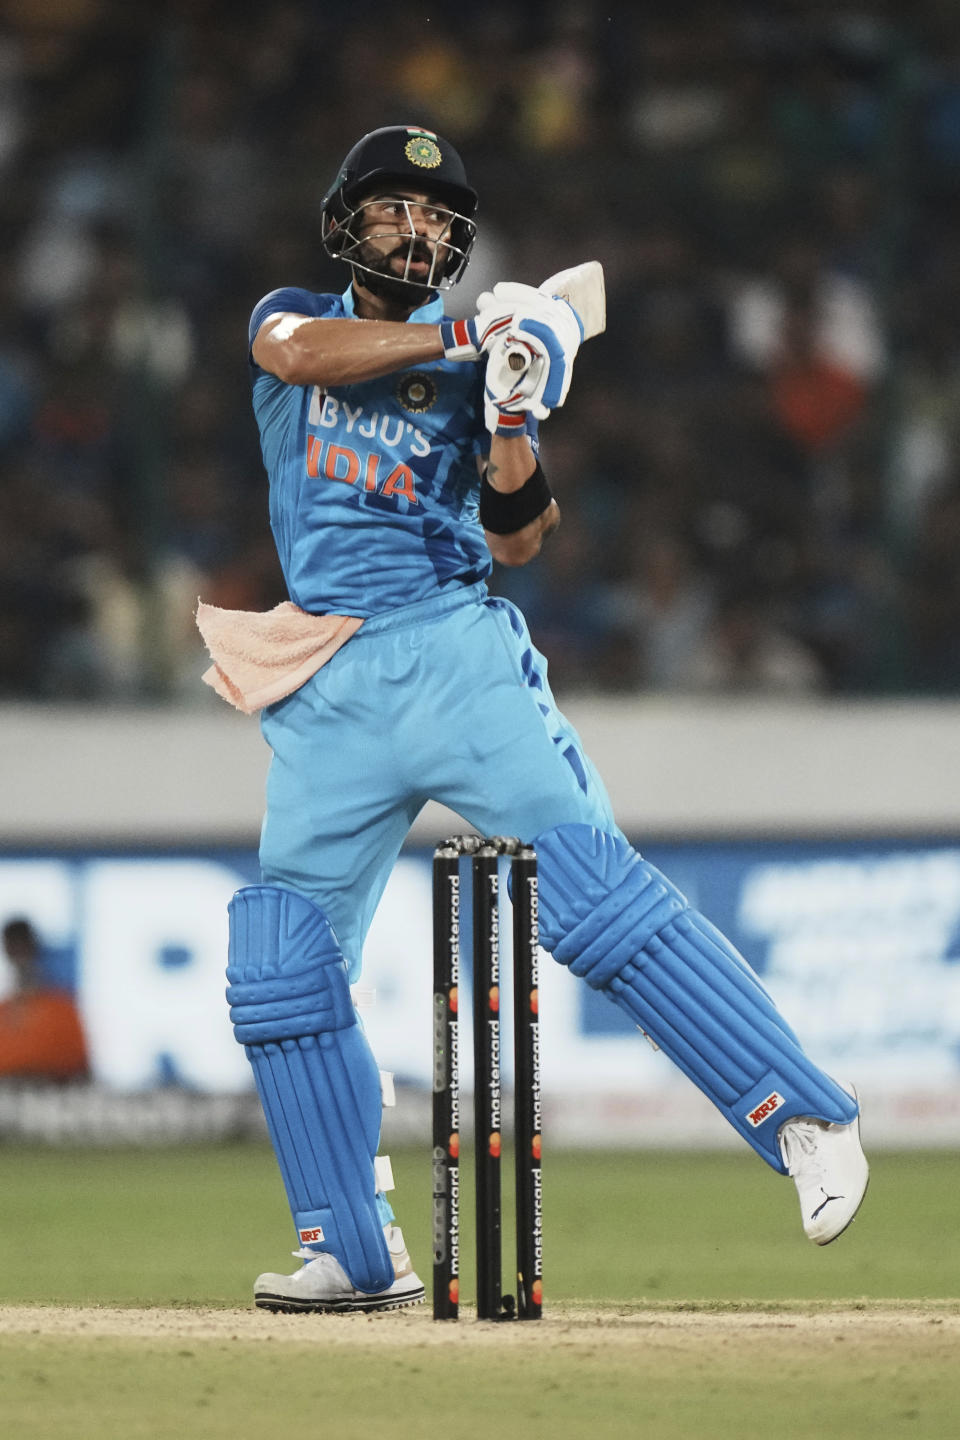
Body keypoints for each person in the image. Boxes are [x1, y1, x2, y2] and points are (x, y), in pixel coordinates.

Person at [201, 124, 868, 1316]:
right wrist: (477, 334)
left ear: (457, 240)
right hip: (324, 678)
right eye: (394, 209)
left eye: (437, 217)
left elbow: (518, 535)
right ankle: (353, 1251)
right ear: (346, 223)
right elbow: (301, 357)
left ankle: (805, 1117)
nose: (417, 229)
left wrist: (510, 410)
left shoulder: (476, 365)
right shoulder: (295, 315)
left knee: (596, 900)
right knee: (280, 966)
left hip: (453, 652)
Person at [0, 918, 89, 1081]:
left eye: (24, 947)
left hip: (53, 1093)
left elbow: (82, 1069)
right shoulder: (4, 1012)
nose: (20, 956)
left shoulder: (62, 1011)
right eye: (14, 947)